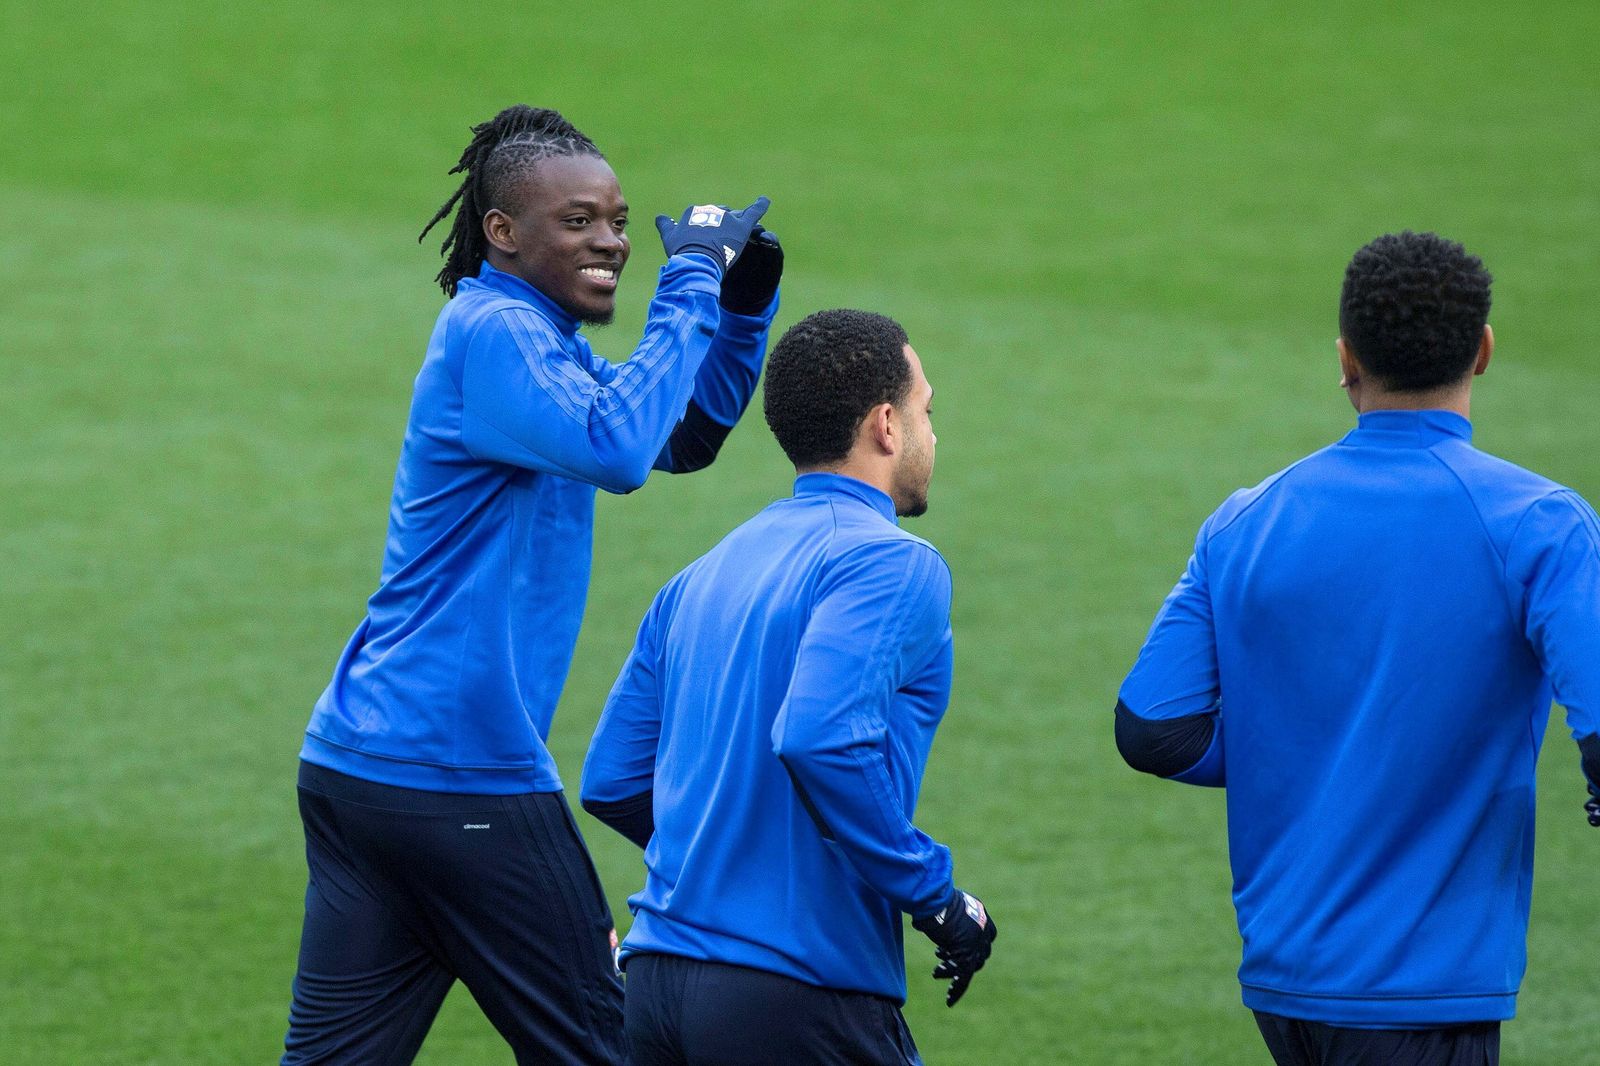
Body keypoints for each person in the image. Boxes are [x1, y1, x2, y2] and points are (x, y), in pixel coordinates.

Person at [281, 104, 782, 1065]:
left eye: (620, 220)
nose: (614, 243)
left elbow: (681, 437)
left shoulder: (535, 341)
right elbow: (619, 448)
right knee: (611, 1049)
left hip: (363, 770)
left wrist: (740, 308)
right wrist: (689, 279)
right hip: (460, 775)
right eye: (579, 221)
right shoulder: (497, 331)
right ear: (502, 233)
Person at [1115, 230, 1600, 1066]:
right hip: (1421, 990)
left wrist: (1309, 745)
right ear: (1483, 351)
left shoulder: (1244, 519)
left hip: (1283, 986)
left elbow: (1153, 727)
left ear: (1345, 359)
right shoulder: (1541, 523)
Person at [580, 308, 997, 1065]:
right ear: (885, 426)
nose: (932, 434)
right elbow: (818, 736)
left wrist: (727, 858)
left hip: (655, 987)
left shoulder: (699, 577)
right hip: (796, 995)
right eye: (925, 411)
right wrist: (935, 897)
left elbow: (611, 778)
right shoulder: (892, 564)